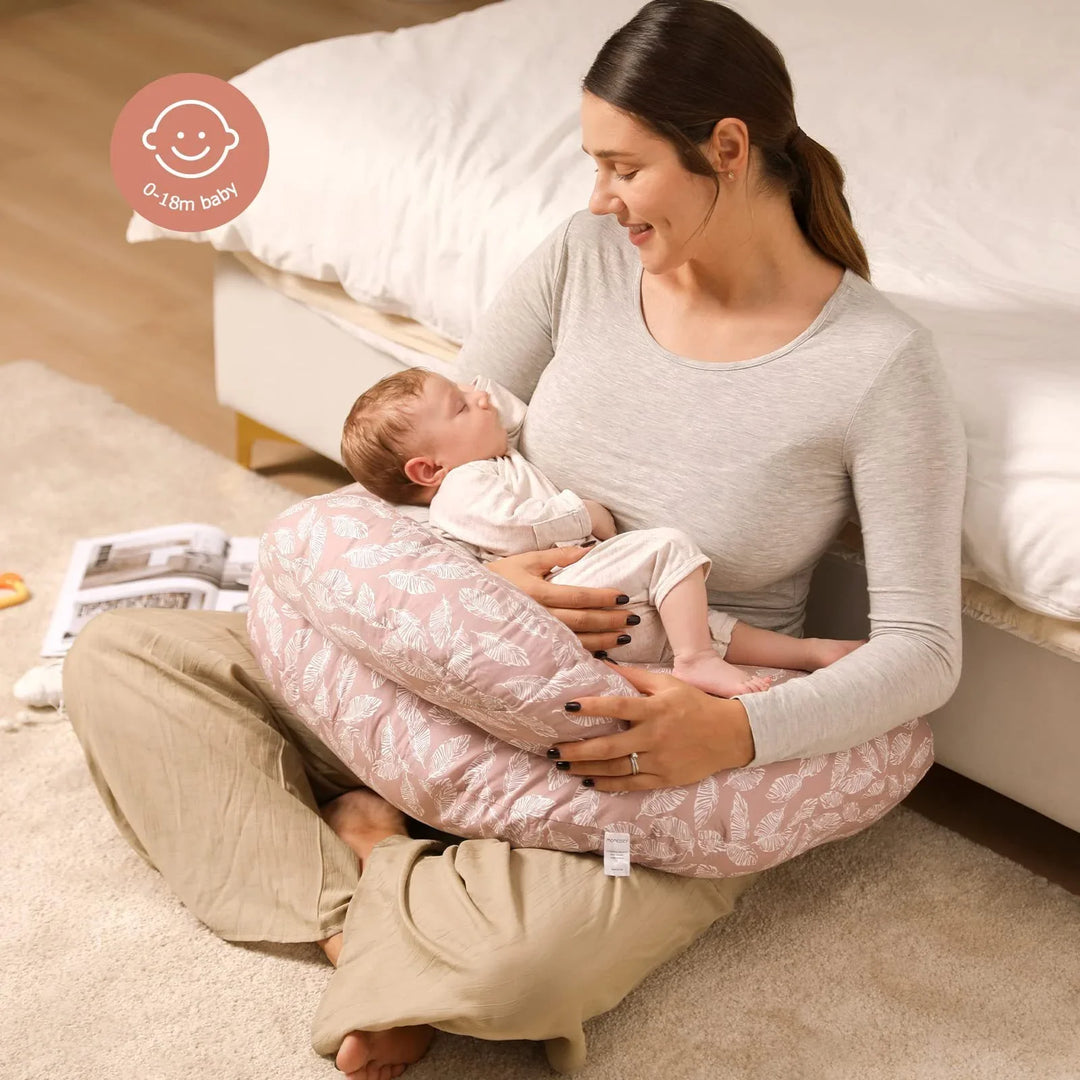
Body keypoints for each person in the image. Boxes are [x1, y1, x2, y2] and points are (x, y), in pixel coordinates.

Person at [62, 2, 967, 1078]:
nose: (599, 198)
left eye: (623, 168)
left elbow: (923, 651)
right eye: (593, 166)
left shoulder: (877, 364)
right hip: (447, 675)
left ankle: (378, 851)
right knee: (122, 660)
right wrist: (486, 578)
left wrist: (728, 739)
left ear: (726, 148)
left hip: (636, 758)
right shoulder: (582, 258)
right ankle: (368, 921)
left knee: (516, 975)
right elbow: (436, 462)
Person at [340, 366, 866, 698]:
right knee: (669, 551)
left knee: (694, 614)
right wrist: (585, 513)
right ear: (427, 471)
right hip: (572, 583)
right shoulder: (462, 485)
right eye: (459, 405)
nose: (479, 398)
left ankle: (810, 654)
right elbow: (516, 530)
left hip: (596, 589)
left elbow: (499, 399)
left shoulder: (492, 455)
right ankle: (695, 661)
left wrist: (470, 400)